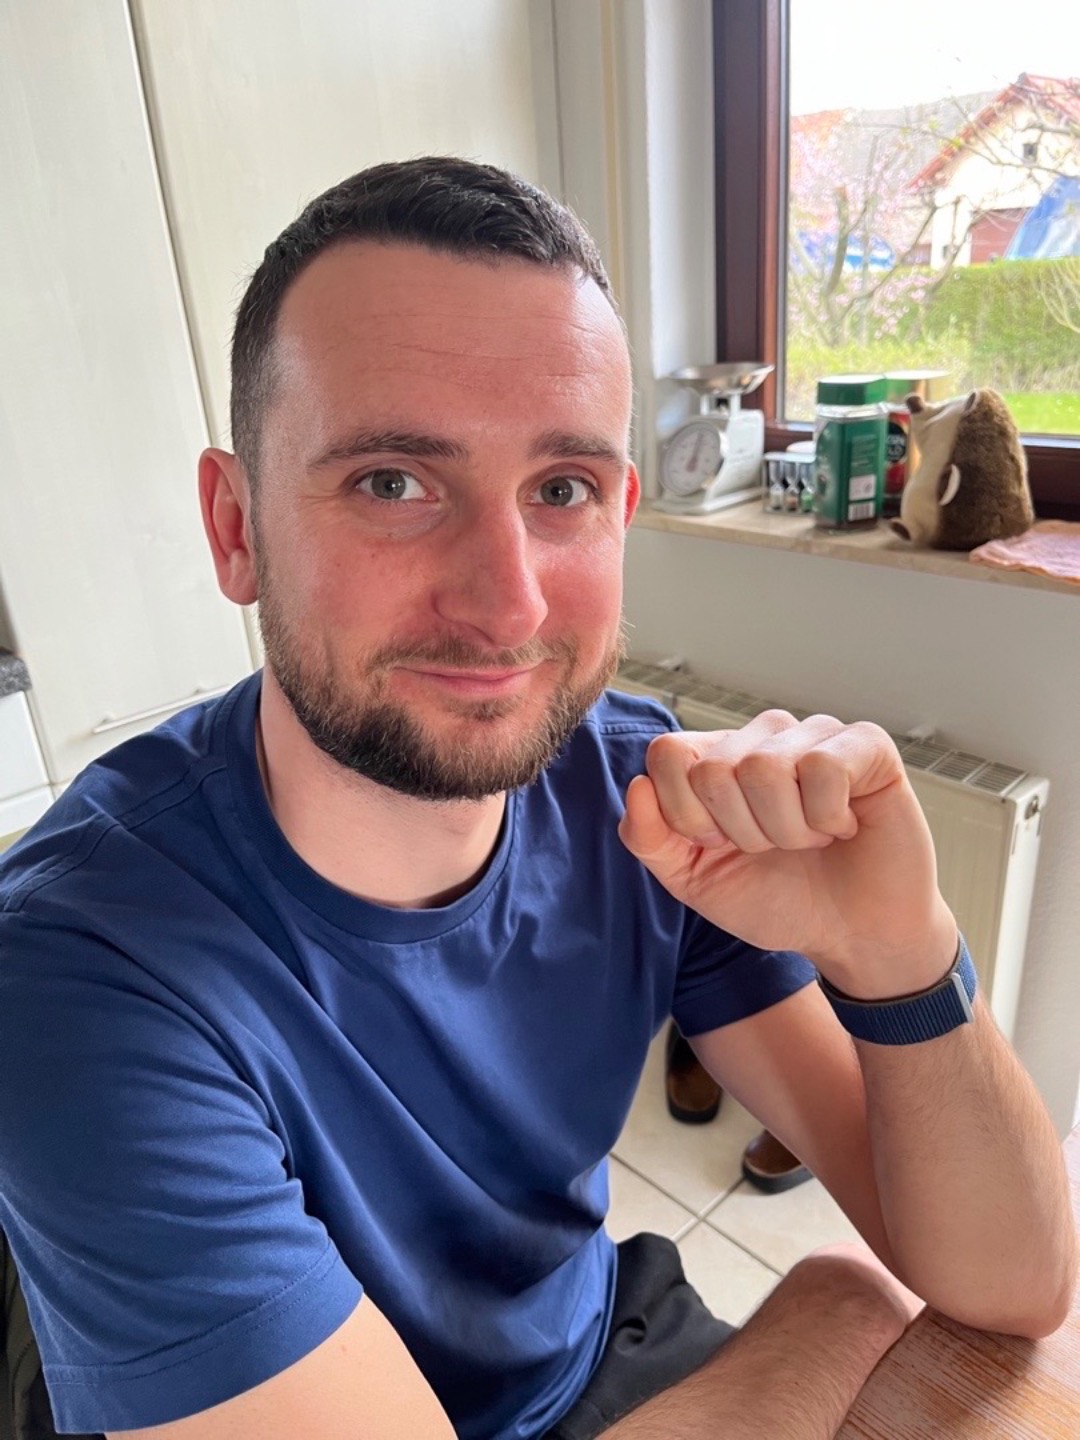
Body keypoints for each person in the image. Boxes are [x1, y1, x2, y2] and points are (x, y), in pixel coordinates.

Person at [0, 157, 1074, 1440]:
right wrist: (831, 1316)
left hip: (594, 1352)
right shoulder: (78, 966)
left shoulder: (640, 799)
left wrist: (902, 954)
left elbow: (1012, 1286)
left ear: (621, 514)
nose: (507, 602)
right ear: (237, 528)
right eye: (392, 481)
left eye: (562, 490)